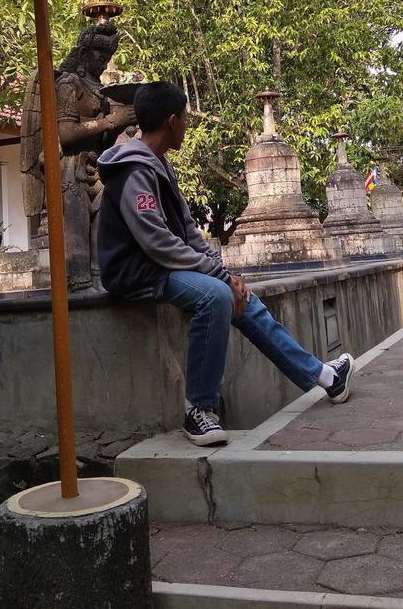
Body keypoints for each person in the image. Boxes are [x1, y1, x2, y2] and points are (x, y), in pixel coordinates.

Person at [97, 81, 355, 446]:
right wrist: (219, 277)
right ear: (172, 121)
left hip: (161, 266)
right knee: (215, 296)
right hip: (136, 272)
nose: (187, 126)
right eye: (185, 119)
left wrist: (227, 273)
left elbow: (187, 230)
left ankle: (326, 377)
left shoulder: (160, 165)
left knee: (239, 296)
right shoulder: (133, 169)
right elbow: (156, 241)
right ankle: (198, 410)